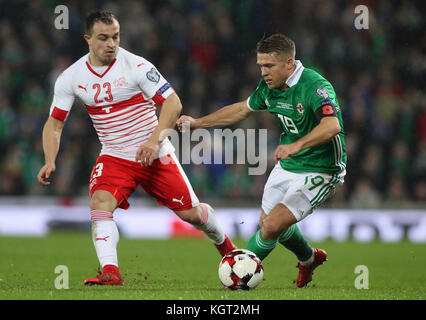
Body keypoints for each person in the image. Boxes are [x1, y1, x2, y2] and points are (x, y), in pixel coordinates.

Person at [37, 10, 236, 286]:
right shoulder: (71, 77)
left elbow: (173, 104)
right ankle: (110, 272)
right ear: (88, 39)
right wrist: (50, 159)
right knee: (100, 203)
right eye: (103, 38)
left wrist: (154, 141)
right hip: (115, 155)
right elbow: (55, 123)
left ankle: (227, 247)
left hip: (155, 153)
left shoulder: (137, 65)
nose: (111, 43)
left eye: (115, 37)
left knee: (191, 214)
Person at [177, 34, 347, 288]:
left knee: (271, 227)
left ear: (289, 63)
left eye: (269, 66)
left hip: (322, 169)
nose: (263, 72)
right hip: (289, 164)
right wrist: (199, 123)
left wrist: (297, 145)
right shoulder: (269, 88)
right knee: (268, 224)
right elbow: (241, 109)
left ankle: (238, 276)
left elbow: (332, 126)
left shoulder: (315, 86)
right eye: (260, 66)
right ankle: (309, 259)